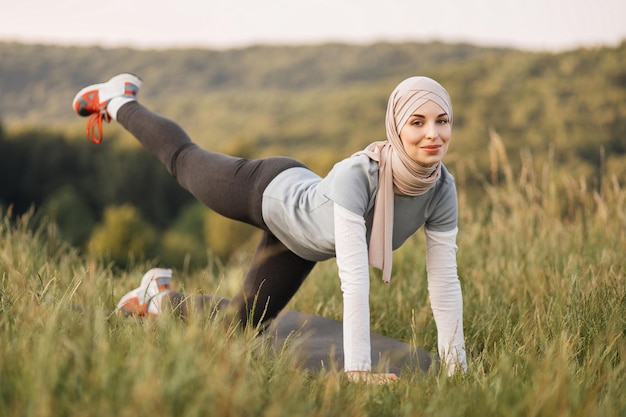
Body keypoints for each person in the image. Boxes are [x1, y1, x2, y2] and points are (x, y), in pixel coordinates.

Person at [72, 73, 467, 382]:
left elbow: (445, 282)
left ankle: (155, 299)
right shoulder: (359, 176)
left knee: (240, 328)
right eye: (417, 122)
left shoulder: (441, 188)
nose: (432, 134)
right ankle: (119, 99)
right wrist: (359, 370)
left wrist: (457, 368)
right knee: (184, 161)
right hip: (266, 189)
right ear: (396, 126)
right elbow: (354, 279)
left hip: (301, 243)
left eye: (442, 120)